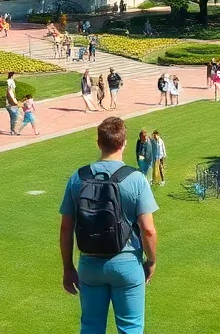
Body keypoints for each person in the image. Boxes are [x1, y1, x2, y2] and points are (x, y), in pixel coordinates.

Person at [59, 116, 159, 334]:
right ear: (123, 143)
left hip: (90, 264)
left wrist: (68, 267)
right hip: (127, 263)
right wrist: (151, 261)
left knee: (91, 327)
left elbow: (66, 227)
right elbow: (148, 229)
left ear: (98, 142)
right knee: (131, 328)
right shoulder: (135, 179)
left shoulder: (78, 177)